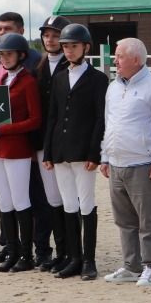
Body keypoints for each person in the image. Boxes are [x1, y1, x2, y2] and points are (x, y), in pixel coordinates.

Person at [101, 37, 151, 286]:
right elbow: (109, 124)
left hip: (143, 163)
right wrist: (105, 156)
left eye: (119, 56)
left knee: (147, 221)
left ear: (136, 60)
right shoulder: (113, 87)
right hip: (117, 162)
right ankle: (131, 265)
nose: (115, 60)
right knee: (124, 220)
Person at [44, 24, 108, 281]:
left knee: (86, 204)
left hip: (84, 152)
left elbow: (100, 119)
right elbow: (53, 117)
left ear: (86, 48)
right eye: (66, 46)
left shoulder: (98, 79)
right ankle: (73, 257)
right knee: (69, 204)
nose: (68, 51)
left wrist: (95, 153)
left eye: (73, 46)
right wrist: (48, 151)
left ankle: (89, 260)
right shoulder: (59, 77)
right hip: (60, 150)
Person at [0, 33, 43, 272]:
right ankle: (13, 251)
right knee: (4, 202)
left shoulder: (28, 82)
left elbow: (34, 120)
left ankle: (26, 255)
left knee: (20, 200)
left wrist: (3, 129)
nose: (4, 59)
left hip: (16, 148)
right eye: (1, 55)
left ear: (21, 55)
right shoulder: (1, 79)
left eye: (9, 54)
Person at [29, 16, 71, 268]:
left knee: (66, 198)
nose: (50, 39)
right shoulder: (39, 67)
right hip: (42, 141)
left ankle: (68, 251)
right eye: (47, 35)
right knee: (48, 198)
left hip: (64, 143)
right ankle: (50, 250)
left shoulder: (71, 66)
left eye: (55, 35)